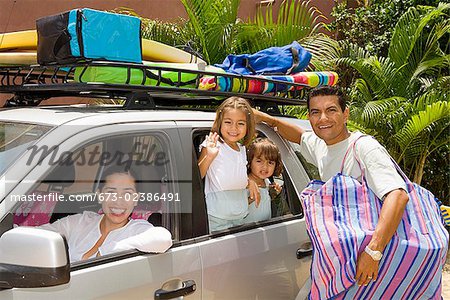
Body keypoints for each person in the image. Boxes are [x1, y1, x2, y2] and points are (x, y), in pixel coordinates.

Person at [254, 86, 413, 287]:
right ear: (309, 117)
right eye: (315, 112)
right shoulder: (321, 145)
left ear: (345, 114)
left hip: (375, 255)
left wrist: (374, 252)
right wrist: (269, 120)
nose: (323, 119)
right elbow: (299, 136)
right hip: (349, 255)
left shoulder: (364, 148)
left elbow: (398, 196)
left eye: (331, 110)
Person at [38, 165, 173, 262]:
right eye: (111, 192)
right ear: (100, 195)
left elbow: (163, 239)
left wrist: (109, 251)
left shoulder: (137, 229)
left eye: (127, 194)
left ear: (136, 199)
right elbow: (37, 235)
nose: (118, 201)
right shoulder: (81, 221)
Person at [198, 96, 258, 232]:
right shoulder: (212, 144)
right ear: (220, 122)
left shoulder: (242, 149)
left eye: (241, 123)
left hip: (240, 215)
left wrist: (250, 181)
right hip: (217, 217)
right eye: (228, 122)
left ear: (248, 126)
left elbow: (235, 173)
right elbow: (198, 175)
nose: (234, 128)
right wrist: (209, 155)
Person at [244, 138, 282, 223]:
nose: (265, 167)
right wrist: (251, 199)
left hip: (265, 229)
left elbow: (262, 202)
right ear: (249, 162)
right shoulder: (246, 182)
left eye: (270, 162)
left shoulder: (267, 181)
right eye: (259, 161)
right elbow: (235, 208)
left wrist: (273, 194)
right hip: (247, 231)